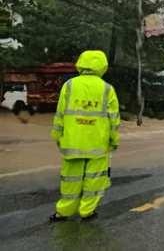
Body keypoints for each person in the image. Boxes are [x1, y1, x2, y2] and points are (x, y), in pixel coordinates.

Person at [49, 50, 120, 222]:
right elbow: (114, 119)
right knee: (94, 181)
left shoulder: (70, 85)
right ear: (103, 66)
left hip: (72, 142)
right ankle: (87, 211)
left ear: (81, 63)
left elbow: (60, 113)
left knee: (70, 180)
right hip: (98, 144)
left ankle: (63, 212)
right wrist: (114, 140)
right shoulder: (107, 89)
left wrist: (57, 135)